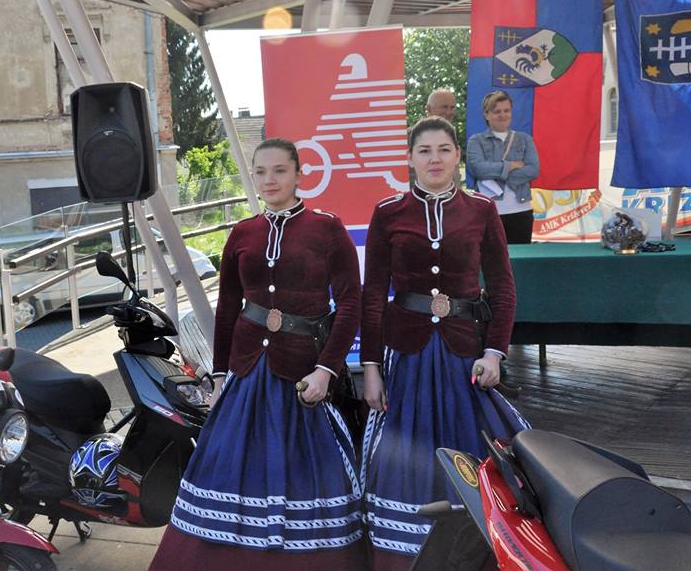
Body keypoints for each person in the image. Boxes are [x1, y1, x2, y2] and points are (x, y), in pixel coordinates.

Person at [149, 138, 364, 571]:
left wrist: (326, 369)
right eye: (261, 171)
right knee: (229, 468)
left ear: (299, 174)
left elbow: (350, 303)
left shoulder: (327, 229)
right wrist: (220, 375)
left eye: (280, 170)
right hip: (247, 373)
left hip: (304, 372)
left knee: (306, 473)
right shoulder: (242, 233)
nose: (270, 180)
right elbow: (228, 307)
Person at [360, 117, 530, 570]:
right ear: (410, 158)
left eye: (443, 149)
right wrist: (371, 366)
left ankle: (480, 549)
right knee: (405, 452)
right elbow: (373, 293)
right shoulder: (388, 212)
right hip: (407, 355)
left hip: (464, 354)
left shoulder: (482, 210)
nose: (434, 158)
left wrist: (494, 352)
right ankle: (405, 555)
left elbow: (503, 287)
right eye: (424, 150)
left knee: (474, 448)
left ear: (457, 155)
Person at [466, 90, 540, 244]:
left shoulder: (525, 139)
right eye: (497, 111)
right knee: (490, 257)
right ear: (486, 115)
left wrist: (496, 172)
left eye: (506, 110)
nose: (502, 115)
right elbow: (478, 169)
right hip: (488, 212)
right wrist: (510, 166)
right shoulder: (476, 141)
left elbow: (533, 170)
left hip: (521, 211)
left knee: (520, 258)